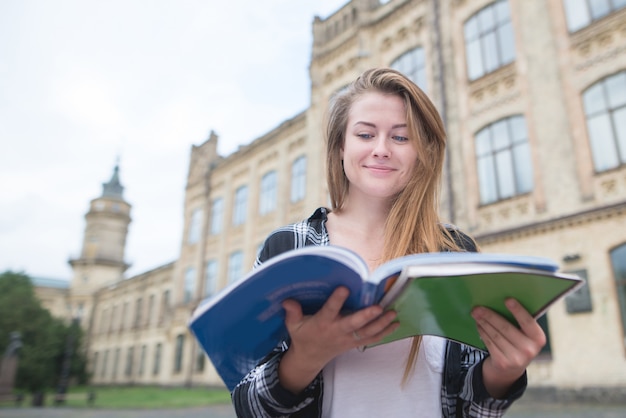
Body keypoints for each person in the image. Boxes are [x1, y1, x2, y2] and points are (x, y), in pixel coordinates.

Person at [231, 67, 546, 417]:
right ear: (340, 146)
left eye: (400, 137)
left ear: (421, 151)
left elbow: (473, 408)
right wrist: (304, 358)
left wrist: (503, 373)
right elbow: (249, 404)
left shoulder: (455, 252)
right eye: (365, 135)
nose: (381, 150)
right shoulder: (287, 247)